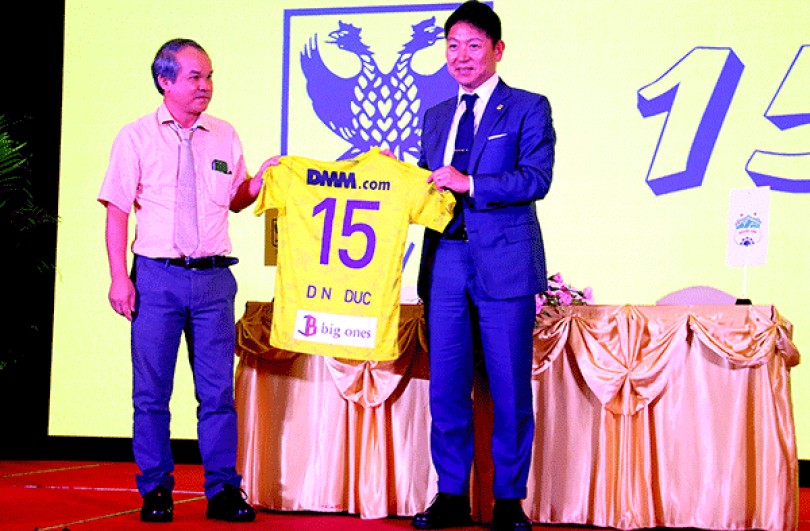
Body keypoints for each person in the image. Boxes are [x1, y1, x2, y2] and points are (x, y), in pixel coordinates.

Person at [98, 38, 274, 523]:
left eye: (209, 76)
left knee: (217, 394)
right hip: (156, 278)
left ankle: (223, 490)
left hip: (214, 280)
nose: (206, 86)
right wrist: (119, 278)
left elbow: (235, 199)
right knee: (151, 393)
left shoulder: (224, 135)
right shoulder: (135, 137)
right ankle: (156, 489)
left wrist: (258, 182)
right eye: (195, 77)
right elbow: (116, 211)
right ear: (165, 81)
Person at [411, 2, 555, 530]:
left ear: (497, 50)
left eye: (473, 45)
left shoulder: (528, 107)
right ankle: (450, 494)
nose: (461, 56)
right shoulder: (435, 116)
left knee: (510, 386)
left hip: (504, 262)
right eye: (452, 46)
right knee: (446, 385)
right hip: (446, 259)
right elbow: (427, 185)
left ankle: (509, 500)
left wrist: (470, 183)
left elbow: (536, 177)